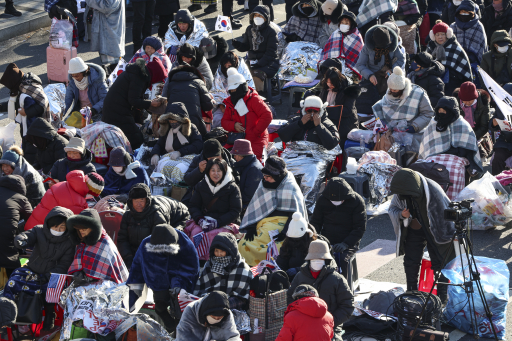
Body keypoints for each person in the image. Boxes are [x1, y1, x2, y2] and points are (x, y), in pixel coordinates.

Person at [388, 168, 456, 301]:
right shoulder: (401, 190)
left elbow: (446, 216)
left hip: (435, 229)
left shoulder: (433, 191)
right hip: (415, 227)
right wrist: (402, 215)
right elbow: (393, 208)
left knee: (441, 260)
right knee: (411, 259)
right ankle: (411, 290)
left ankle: (442, 296)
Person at [10, 207, 74, 330]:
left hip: (52, 274)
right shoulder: (39, 230)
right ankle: (11, 312)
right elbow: (27, 236)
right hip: (33, 269)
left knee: (51, 289)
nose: (58, 230)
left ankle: (50, 314)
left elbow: (64, 264)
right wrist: (21, 240)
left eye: (62, 227)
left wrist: (49, 275)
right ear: (49, 224)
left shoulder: (69, 241)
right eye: (55, 227)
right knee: (15, 279)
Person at [127, 224, 200, 332]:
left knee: (181, 312)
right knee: (160, 307)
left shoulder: (186, 244)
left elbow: (192, 269)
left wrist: (179, 285)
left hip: (180, 283)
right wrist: (131, 301)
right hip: (157, 281)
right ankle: (170, 328)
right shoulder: (145, 245)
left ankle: (181, 332)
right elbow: (136, 269)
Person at [238, 156, 308, 266]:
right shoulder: (264, 183)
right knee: (244, 243)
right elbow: (256, 206)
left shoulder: (290, 186)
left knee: (277, 245)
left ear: (277, 176)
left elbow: (296, 214)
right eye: (264, 175)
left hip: (285, 224)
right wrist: (251, 227)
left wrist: (284, 233)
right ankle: (250, 269)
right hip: (263, 222)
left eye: (268, 176)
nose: (265, 178)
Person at [288, 240, 354, 340]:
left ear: (326, 260)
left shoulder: (337, 279)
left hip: (331, 325)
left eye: (320, 258)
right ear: (309, 259)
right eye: (314, 259)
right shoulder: (299, 277)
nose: (316, 261)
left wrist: (330, 321)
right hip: (303, 325)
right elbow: (290, 300)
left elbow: (348, 305)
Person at [118, 183, 190, 268]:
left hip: (180, 216)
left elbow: (160, 243)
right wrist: (129, 258)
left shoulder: (157, 215)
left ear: (147, 201)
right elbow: (122, 240)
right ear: (131, 202)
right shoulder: (127, 215)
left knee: (172, 240)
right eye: (135, 201)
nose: (139, 204)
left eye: (142, 200)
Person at [186, 159, 242, 260]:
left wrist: (217, 222)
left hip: (225, 223)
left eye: (219, 170)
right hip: (204, 221)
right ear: (208, 171)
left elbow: (235, 210)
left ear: (224, 171)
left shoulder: (232, 188)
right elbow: (193, 205)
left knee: (218, 237)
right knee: (196, 234)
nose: (216, 174)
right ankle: (197, 261)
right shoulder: (201, 185)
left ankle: (219, 261)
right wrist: (200, 219)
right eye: (213, 170)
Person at [102, 59, 163, 149]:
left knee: (123, 137)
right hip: (117, 110)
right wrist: (151, 103)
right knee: (136, 140)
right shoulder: (139, 77)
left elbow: (135, 97)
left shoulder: (137, 73)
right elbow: (134, 100)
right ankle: (135, 159)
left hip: (114, 107)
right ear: (155, 75)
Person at [373, 66, 434, 156]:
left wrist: (415, 126)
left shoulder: (418, 93)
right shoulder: (389, 92)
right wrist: (382, 123)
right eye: (391, 89)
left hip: (413, 133)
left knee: (409, 158)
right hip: (391, 134)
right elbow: (380, 107)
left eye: (395, 90)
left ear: (402, 89)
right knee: (391, 157)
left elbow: (428, 114)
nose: (392, 91)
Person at [311, 177, 366, 275]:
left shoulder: (357, 201)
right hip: (326, 239)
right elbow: (315, 222)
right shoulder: (323, 200)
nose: (336, 201)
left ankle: (343, 287)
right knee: (313, 258)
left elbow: (359, 228)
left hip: (348, 241)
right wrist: (315, 239)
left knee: (343, 259)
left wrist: (346, 244)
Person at [419, 96, 483, 178]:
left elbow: (469, 147)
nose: (441, 113)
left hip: (458, 156)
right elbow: (427, 144)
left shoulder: (462, 124)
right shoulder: (434, 123)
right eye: (439, 110)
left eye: (444, 111)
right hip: (435, 156)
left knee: (456, 170)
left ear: (452, 111)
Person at [0, 63, 51, 164]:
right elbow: (16, 103)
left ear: (13, 82)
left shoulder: (28, 87)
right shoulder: (21, 85)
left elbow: (43, 104)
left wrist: (26, 112)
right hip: (27, 125)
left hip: (35, 127)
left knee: (31, 154)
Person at [221, 68, 273, 160]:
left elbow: (267, 115)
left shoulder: (253, 99)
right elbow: (224, 122)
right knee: (225, 159)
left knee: (253, 162)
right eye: (231, 91)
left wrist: (254, 132)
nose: (233, 93)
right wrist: (234, 125)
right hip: (237, 139)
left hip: (256, 140)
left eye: (234, 90)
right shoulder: (230, 102)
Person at [25, 171, 104, 230]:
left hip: (31, 228)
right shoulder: (79, 203)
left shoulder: (63, 184)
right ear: (89, 190)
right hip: (41, 235)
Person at [67, 208, 129, 284]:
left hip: (104, 287)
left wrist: (89, 278)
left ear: (94, 228)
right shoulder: (81, 241)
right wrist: (77, 273)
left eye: (84, 228)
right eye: (79, 228)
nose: (81, 231)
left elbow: (109, 275)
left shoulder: (105, 244)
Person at [194, 233, 253, 309]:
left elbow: (242, 298)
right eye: (216, 250)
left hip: (233, 305)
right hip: (211, 305)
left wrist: (224, 305)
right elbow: (202, 288)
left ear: (230, 251)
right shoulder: (209, 265)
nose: (219, 254)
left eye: (222, 251)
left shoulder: (242, 268)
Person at [232, 6, 280, 93]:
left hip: (269, 63)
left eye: (260, 16)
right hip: (252, 61)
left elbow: (271, 52)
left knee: (255, 75)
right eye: (255, 15)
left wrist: (259, 63)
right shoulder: (249, 29)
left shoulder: (271, 32)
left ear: (266, 18)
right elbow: (246, 46)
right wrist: (237, 45)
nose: (257, 18)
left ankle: (259, 99)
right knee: (237, 74)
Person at [162, 64, 214, 136]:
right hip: (194, 123)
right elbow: (208, 106)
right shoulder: (199, 82)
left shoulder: (171, 84)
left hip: (173, 122)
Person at [318, 67, 361, 151]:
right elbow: (320, 102)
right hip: (330, 120)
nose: (329, 85)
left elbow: (348, 110)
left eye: (332, 83)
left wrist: (327, 110)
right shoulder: (326, 88)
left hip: (345, 123)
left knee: (335, 141)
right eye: (328, 82)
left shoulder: (349, 89)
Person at [355, 25, 406, 97]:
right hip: (371, 79)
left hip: (388, 79)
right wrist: (370, 75)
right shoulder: (367, 47)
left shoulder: (392, 45)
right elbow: (360, 64)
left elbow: (401, 59)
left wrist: (392, 70)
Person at [426, 21, 473, 97]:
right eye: (437, 34)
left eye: (442, 34)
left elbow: (464, 67)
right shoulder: (430, 47)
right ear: (433, 36)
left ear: (448, 34)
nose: (440, 37)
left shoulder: (455, 47)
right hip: (434, 81)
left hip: (452, 81)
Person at [182, 139, 237, 203]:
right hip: (200, 197)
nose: (215, 161)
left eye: (217, 157)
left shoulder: (231, 162)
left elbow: (236, 183)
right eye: (211, 159)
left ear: (221, 152)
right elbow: (187, 180)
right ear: (205, 156)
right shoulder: (198, 160)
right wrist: (199, 170)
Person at [150, 102, 203, 167]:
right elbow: (159, 144)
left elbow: (198, 144)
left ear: (182, 120)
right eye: (170, 120)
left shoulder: (191, 128)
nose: (172, 122)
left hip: (188, 157)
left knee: (179, 168)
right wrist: (155, 154)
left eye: (174, 120)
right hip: (170, 157)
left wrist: (180, 152)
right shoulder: (167, 128)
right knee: (160, 165)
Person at [210, 52, 255, 128]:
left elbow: (249, 90)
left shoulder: (242, 71)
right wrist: (222, 106)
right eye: (225, 66)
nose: (227, 68)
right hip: (225, 105)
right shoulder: (220, 72)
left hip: (242, 104)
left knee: (245, 120)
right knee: (217, 119)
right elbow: (216, 92)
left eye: (230, 66)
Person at [0, 175, 32, 278]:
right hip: (6, 234)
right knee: (9, 259)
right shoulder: (20, 198)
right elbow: (31, 219)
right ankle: (12, 287)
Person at [175, 291, 241, 341]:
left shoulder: (227, 314)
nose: (216, 319)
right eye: (213, 317)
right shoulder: (191, 310)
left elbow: (233, 336)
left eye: (219, 318)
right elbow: (182, 336)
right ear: (205, 314)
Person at [320, 11, 364, 79]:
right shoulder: (336, 33)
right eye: (342, 23)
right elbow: (329, 50)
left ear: (351, 24)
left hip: (350, 69)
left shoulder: (356, 37)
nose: (344, 25)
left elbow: (358, 56)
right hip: (335, 65)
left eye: (346, 23)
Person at [276, 212, 317, 281]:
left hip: (309, 278)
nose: (295, 240)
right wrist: (280, 271)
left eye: (298, 238)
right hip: (291, 279)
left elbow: (317, 264)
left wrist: (298, 269)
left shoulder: (314, 244)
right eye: (293, 238)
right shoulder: (288, 242)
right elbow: (282, 259)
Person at [85, 0, 125, 69]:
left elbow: (109, 6)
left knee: (113, 64)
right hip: (107, 29)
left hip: (109, 31)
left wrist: (90, 1)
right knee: (109, 63)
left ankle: (115, 78)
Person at [450, 0, 488, 65]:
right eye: (462, 12)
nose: (463, 14)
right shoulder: (453, 26)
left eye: (466, 12)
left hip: (474, 62)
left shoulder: (478, 26)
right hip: (455, 61)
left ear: (472, 13)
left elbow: (482, 47)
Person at [230, 139, 263, 211]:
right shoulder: (247, 165)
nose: (234, 157)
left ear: (242, 155)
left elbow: (249, 196)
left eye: (235, 155)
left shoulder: (253, 169)